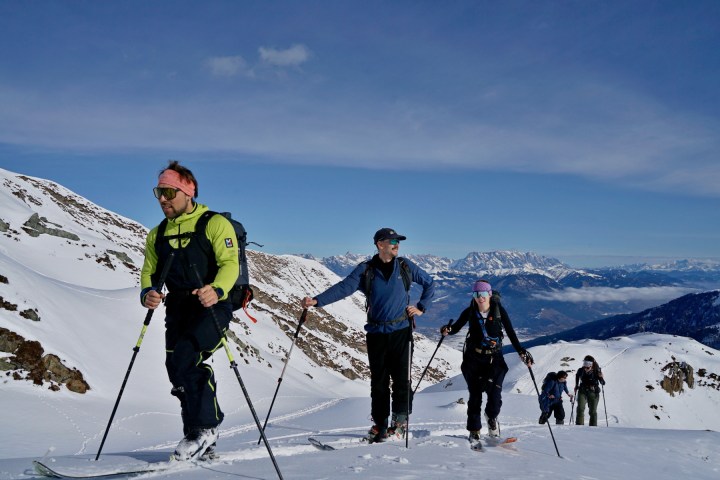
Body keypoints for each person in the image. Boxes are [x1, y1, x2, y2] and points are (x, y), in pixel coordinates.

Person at [140, 161, 239, 460]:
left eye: (169, 191)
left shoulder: (214, 223)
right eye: (158, 192)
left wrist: (218, 289)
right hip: (179, 308)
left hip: (213, 306)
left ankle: (205, 428)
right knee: (176, 368)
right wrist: (148, 292)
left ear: (187, 190)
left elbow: (230, 264)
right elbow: (149, 272)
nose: (162, 199)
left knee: (187, 356)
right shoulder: (157, 234)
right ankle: (197, 437)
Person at [301, 228, 434, 442]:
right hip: (376, 333)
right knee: (378, 382)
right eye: (392, 241)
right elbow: (344, 287)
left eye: (398, 241)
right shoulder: (366, 270)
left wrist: (421, 307)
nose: (396, 244)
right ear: (380, 244)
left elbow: (430, 283)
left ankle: (399, 423)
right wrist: (317, 301)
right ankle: (380, 425)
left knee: (401, 380)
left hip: (401, 331)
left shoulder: (406, 266)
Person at [441, 280, 533, 443]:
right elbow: (456, 328)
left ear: (489, 294)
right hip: (473, 359)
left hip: (494, 358)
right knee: (475, 396)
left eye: (483, 294)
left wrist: (521, 351)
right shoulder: (470, 311)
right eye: (476, 294)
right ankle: (474, 430)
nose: (479, 297)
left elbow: (511, 332)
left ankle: (491, 418)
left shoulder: (499, 311)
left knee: (494, 394)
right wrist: (447, 330)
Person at [574, 355, 606, 426]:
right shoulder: (581, 370)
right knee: (580, 408)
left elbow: (603, 383)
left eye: (587, 366)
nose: (585, 368)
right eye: (584, 365)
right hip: (582, 390)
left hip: (594, 392)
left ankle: (593, 428)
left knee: (593, 411)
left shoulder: (597, 371)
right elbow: (577, 375)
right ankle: (579, 427)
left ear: (591, 365)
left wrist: (601, 377)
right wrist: (576, 385)